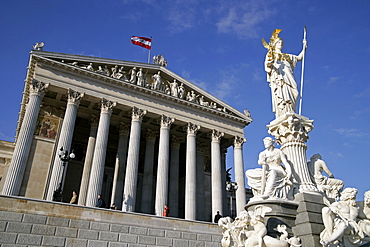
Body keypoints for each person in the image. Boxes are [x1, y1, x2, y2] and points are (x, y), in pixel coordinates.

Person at [262, 29, 307, 118]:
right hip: (279, 77)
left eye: (281, 42)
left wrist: (304, 47)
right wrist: (270, 63)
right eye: (278, 42)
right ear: (274, 45)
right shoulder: (271, 54)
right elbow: (267, 66)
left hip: (288, 76)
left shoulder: (287, 56)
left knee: (295, 93)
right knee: (282, 94)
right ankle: (283, 112)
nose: (281, 44)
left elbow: (299, 58)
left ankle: (291, 110)